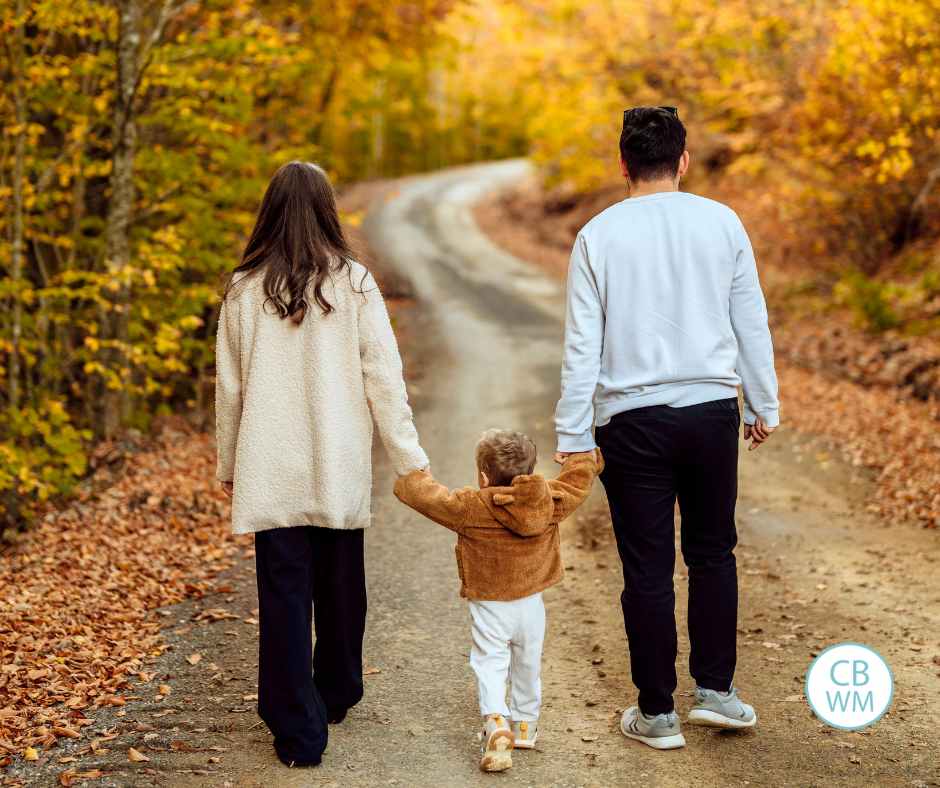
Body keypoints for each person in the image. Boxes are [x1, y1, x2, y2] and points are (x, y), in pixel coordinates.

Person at [554, 106, 779, 750]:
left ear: (622, 165)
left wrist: (573, 433)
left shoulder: (598, 234)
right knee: (713, 552)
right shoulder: (722, 222)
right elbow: (750, 321)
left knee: (646, 567)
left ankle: (657, 713)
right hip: (712, 411)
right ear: (683, 161)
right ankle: (718, 694)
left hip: (630, 421)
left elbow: (581, 345)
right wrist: (763, 402)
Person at [215, 161, 428, 767]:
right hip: (336, 466)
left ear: (271, 213)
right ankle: (335, 691)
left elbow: (228, 389)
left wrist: (229, 462)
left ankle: (296, 725)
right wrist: (410, 459)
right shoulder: (354, 283)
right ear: (328, 212)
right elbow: (385, 381)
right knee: (340, 587)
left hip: (271, 466)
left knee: (284, 595)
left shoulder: (243, 290)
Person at [394, 429, 602, 772]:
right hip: (531, 604)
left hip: (491, 603)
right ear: (531, 472)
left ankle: (496, 720)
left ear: (484, 476)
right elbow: (577, 484)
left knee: (490, 661)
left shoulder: (470, 507)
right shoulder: (549, 499)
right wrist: (582, 457)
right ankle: (524, 725)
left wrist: (413, 477)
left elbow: (432, 498)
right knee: (528, 661)